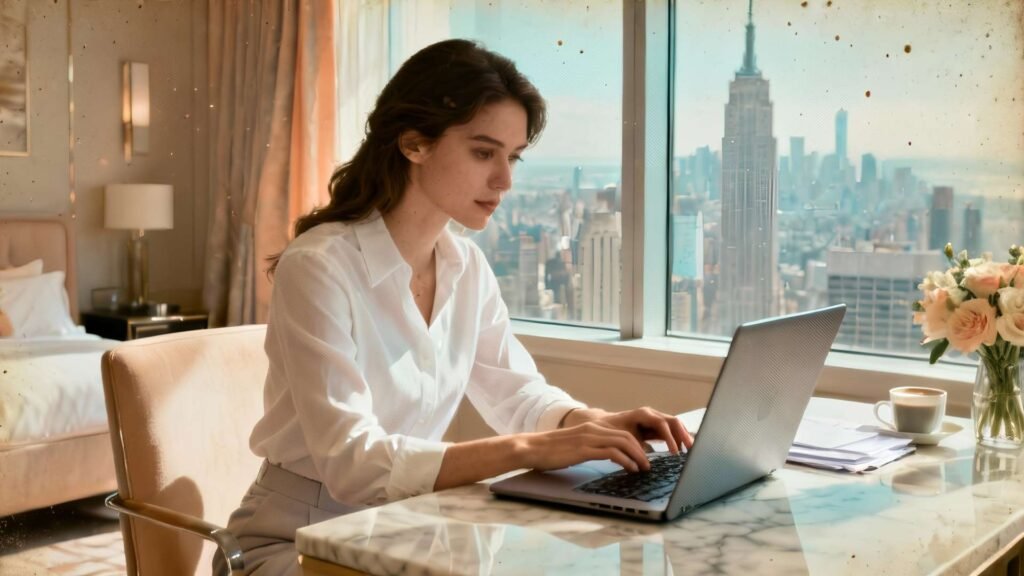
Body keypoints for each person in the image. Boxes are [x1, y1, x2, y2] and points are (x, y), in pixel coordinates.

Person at [215, 38, 693, 576]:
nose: (505, 180)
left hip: (404, 531)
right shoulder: (320, 267)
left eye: (512, 157)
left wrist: (592, 422)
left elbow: (516, 391)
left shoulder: (465, 267)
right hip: (294, 542)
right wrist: (535, 449)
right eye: (483, 152)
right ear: (414, 143)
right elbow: (352, 463)